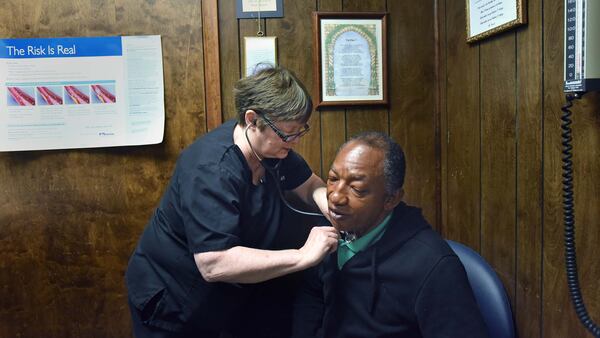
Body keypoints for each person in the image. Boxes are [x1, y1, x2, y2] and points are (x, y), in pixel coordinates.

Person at [125, 65, 339, 338]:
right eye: (288, 133)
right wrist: (302, 256)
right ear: (252, 119)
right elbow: (214, 263)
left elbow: (309, 185)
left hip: (226, 302)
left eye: (301, 131)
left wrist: (333, 209)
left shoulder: (272, 150)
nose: (295, 141)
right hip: (173, 299)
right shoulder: (211, 168)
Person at [292, 132, 490, 338]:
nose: (336, 196)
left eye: (357, 189)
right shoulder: (326, 237)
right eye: (333, 179)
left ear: (391, 199)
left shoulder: (434, 265)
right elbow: (309, 302)